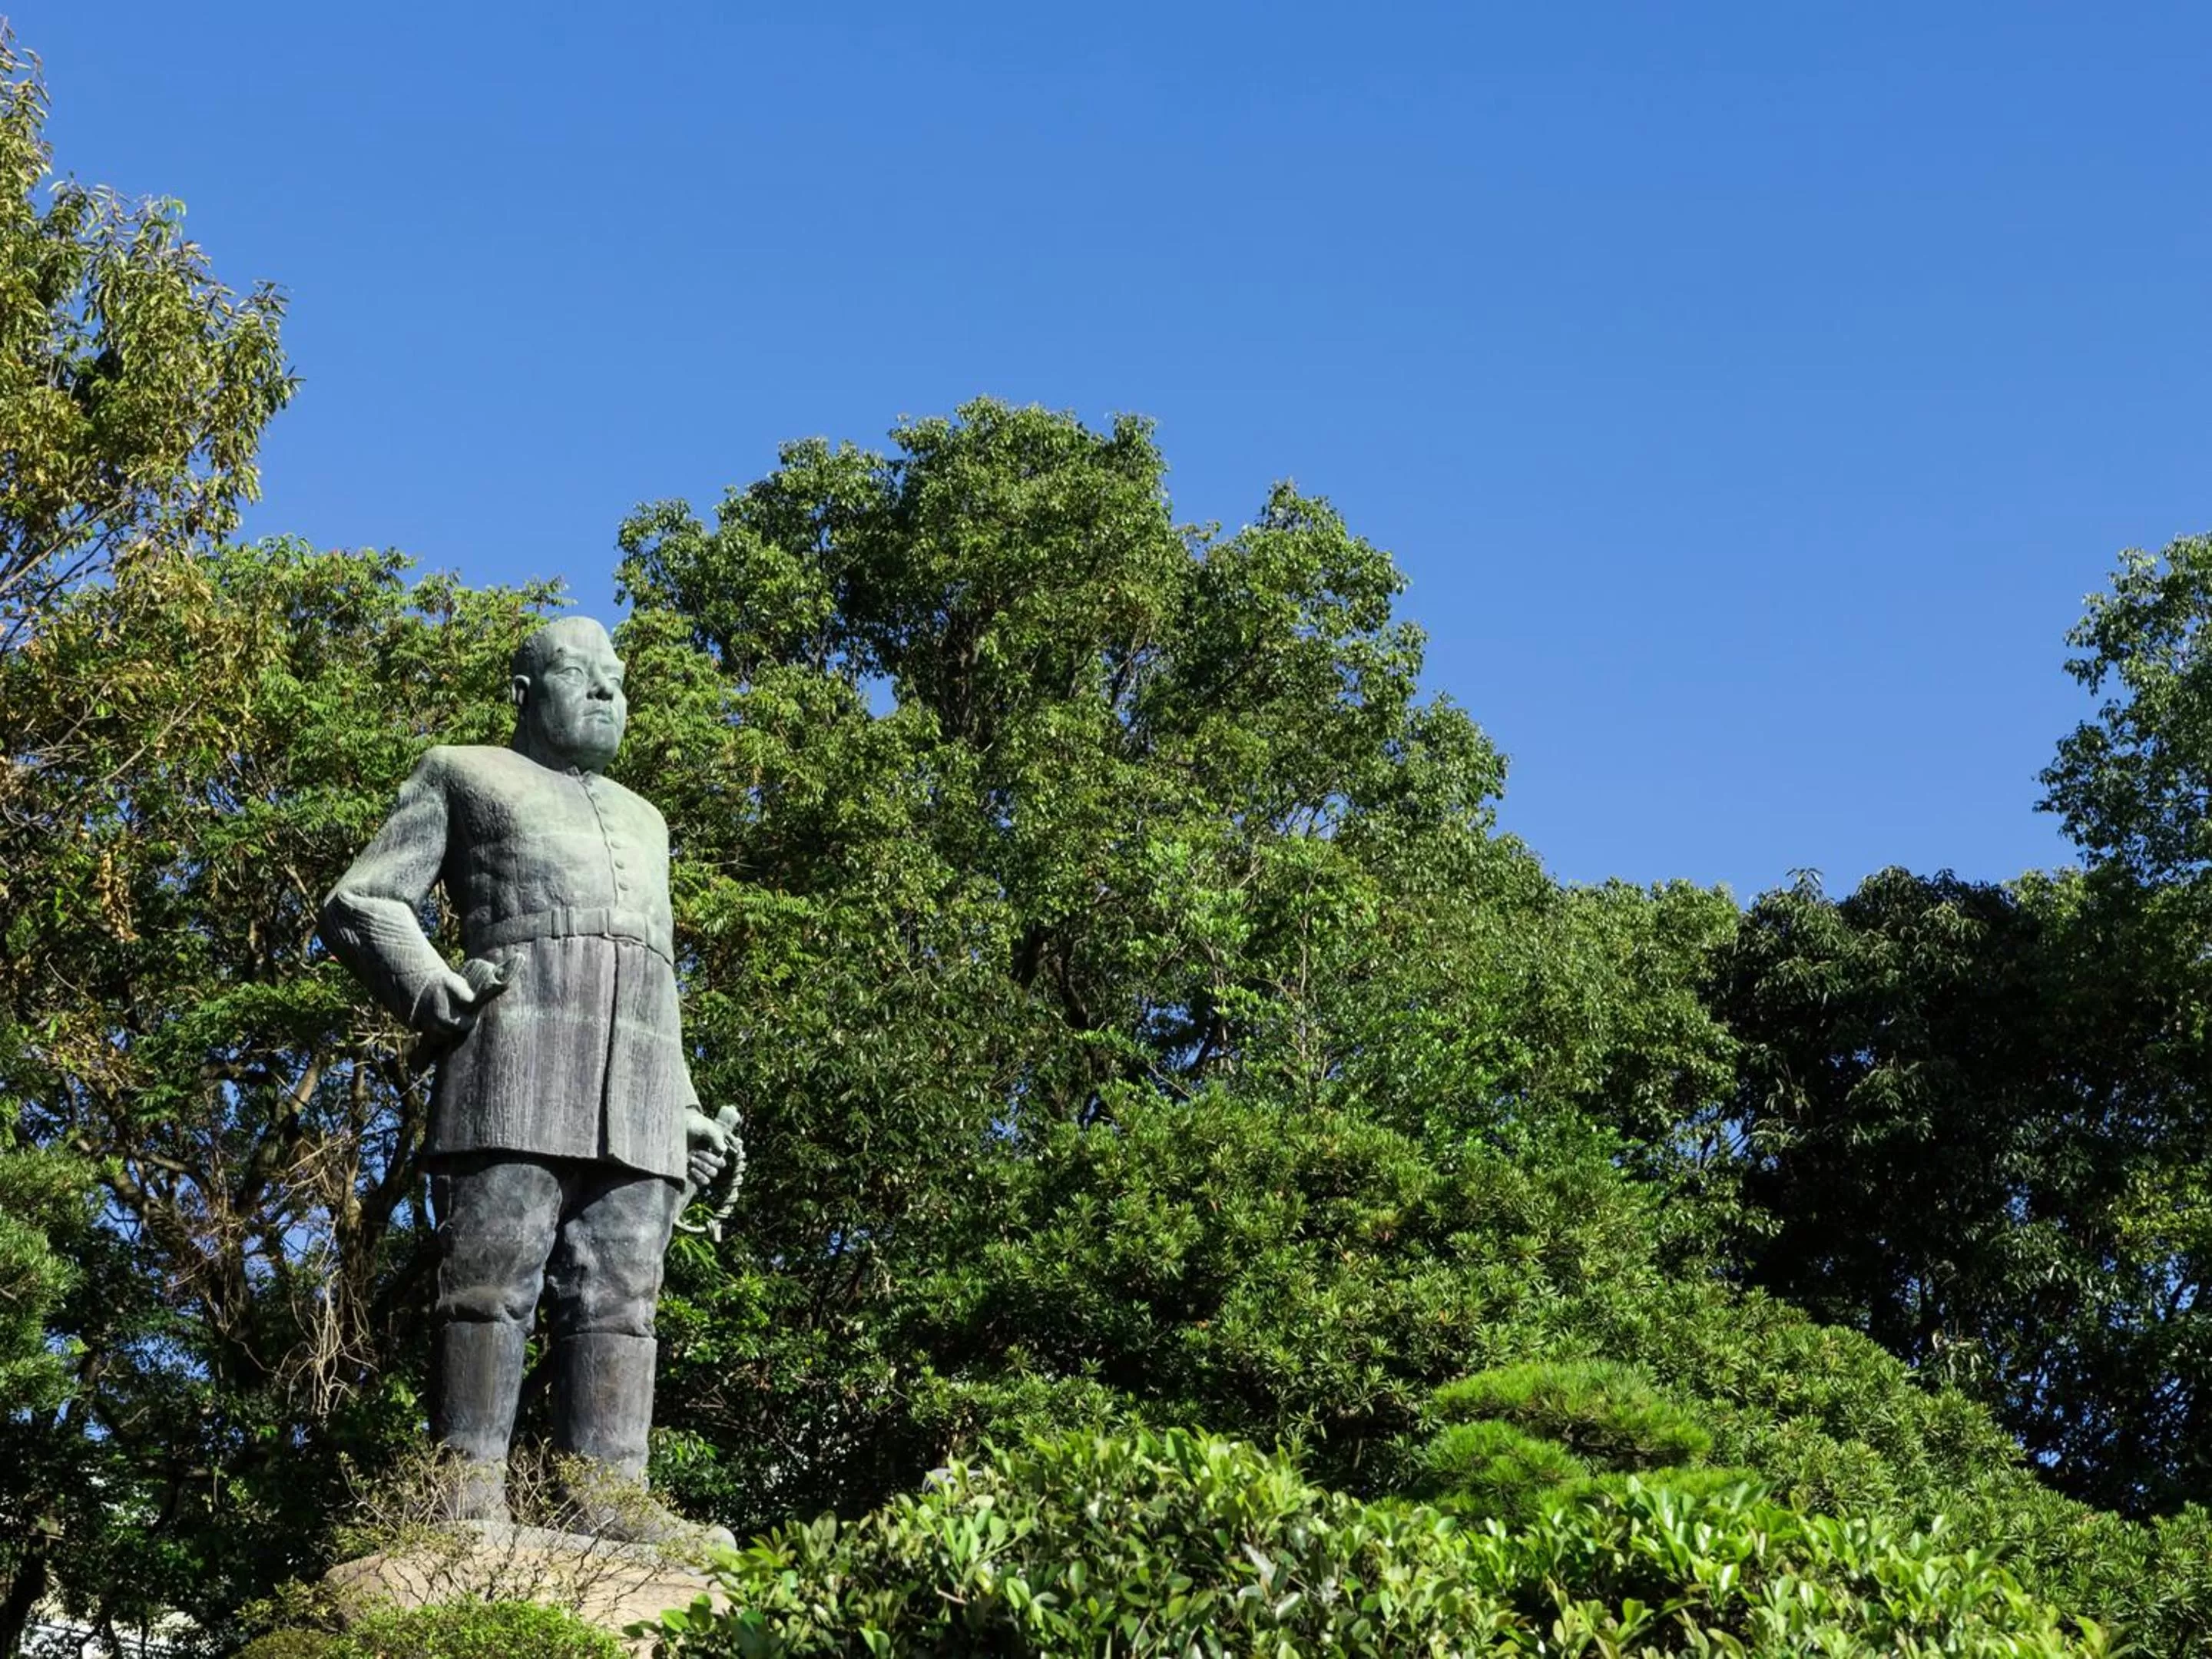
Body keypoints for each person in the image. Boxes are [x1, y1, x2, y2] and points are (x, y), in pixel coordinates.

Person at [320, 615, 735, 1541]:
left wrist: (688, 1109)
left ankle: (611, 1499)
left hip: (634, 1085)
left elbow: (658, 972)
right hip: (513, 1057)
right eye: (578, 674)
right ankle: (464, 1489)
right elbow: (362, 900)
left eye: (616, 678)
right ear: (523, 692)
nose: (604, 691)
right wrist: (432, 984)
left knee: (624, 1293)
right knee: (491, 1277)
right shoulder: (463, 772)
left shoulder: (646, 818)